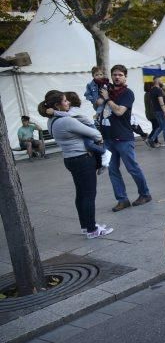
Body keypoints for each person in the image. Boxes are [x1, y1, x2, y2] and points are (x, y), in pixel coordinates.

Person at [40, 90, 113, 239]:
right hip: (82, 158)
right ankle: (92, 229)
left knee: (81, 194)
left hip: (70, 158)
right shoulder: (67, 120)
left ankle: (86, 226)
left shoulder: (52, 121)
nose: (68, 103)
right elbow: (96, 134)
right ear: (57, 105)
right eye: (65, 101)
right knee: (89, 195)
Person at [96, 64, 152, 212]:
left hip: (123, 138)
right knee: (112, 171)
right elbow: (97, 105)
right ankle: (122, 200)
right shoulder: (107, 91)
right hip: (108, 139)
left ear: (125, 77)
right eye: (114, 74)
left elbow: (120, 112)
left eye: (120, 74)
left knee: (132, 168)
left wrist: (108, 99)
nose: (117, 77)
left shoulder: (127, 93)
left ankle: (145, 194)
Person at [147, 76, 165, 148]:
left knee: (161, 127)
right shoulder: (158, 90)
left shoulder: (152, 90)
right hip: (161, 111)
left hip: (155, 111)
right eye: (161, 80)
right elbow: (161, 102)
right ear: (157, 80)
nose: (162, 81)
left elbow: (152, 102)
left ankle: (151, 139)